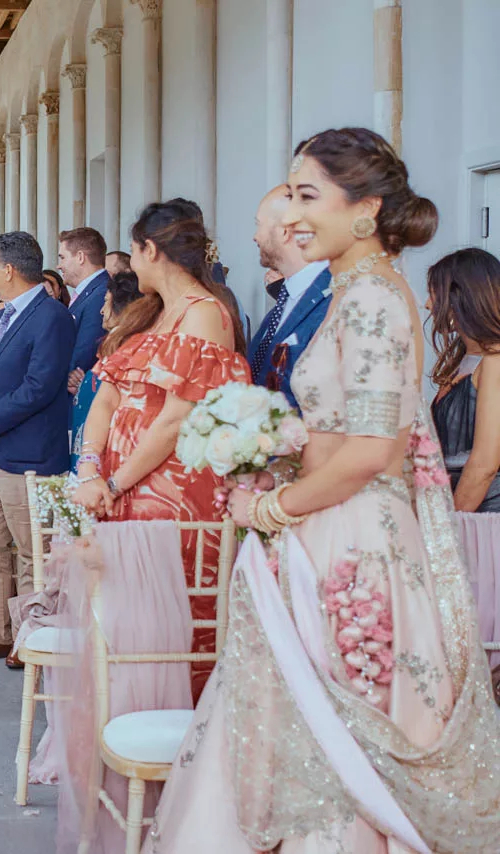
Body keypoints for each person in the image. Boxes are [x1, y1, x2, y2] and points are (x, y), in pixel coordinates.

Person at [145, 128, 500, 853]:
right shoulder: (359, 289)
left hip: (356, 539)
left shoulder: (372, 297)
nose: (293, 214)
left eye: (309, 196)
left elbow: (374, 450)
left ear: (365, 211)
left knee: (343, 727)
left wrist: (272, 506)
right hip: (334, 523)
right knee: (306, 722)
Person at [72, 200, 249, 696]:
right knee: (120, 621)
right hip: (119, 489)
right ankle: (123, 731)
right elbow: (105, 399)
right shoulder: (150, 314)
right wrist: (89, 469)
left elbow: (176, 419)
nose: (130, 262)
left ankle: (165, 741)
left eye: (133, 251)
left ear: (153, 250)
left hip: (172, 496)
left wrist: (113, 482)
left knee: (164, 622)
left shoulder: (206, 315)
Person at [0, 232, 76, 663]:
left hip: (26, 454)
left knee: (30, 551)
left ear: (8, 269)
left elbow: (40, 387)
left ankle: (29, 636)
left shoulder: (53, 317)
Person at [427, 247, 500, 512]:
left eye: (434, 294)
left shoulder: (496, 361)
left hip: (483, 517)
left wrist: (449, 529)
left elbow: (484, 465)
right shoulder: (462, 361)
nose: (427, 304)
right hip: (453, 505)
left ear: (461, 296)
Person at [249, 183, 332, 408]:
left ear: (284, 231)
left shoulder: (333, 298)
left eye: (259, 225)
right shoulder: (286, 297)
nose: (255, 237)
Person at [68, 270, 144, 461]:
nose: (102, 310)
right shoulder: (110, 347)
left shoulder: (129, 351)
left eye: (106, 302)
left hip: (107, 454)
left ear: (123, 307)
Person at [57, 227, 111, 439]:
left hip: (82, 397)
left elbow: (85, 348)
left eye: (62, 257)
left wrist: (62, 374)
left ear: (80, 257)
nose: (59, 265)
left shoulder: (100, 292)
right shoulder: (89, 292)